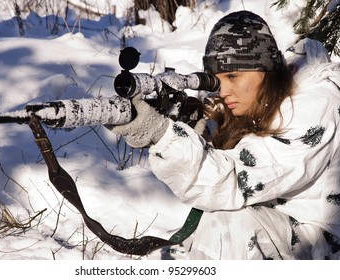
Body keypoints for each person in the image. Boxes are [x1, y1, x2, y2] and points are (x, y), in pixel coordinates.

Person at [109, 10, 340, 259]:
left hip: (322, 247)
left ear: (266, 69)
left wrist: (162, 135)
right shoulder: (264, 96)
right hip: (284, 228)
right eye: (218, 81)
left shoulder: (314, 106)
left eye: (233, 76)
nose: (224, 92)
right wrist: (195, 133)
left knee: (229, 223)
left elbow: (234, 182)